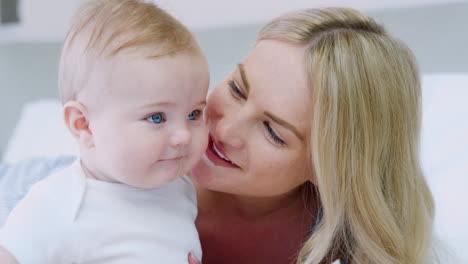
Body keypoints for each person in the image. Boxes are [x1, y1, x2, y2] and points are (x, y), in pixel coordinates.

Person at [0, 6, 437, 264]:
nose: (220, 129)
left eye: (272, 130)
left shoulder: (335, 242)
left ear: (330, 167)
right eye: (236, 88)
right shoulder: (55, 197)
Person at [0, 0, 209, 263]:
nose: (184, 136)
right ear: (83, 124)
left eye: (194, 114)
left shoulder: (179, 188)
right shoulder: (55, 204)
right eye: (157, 117)